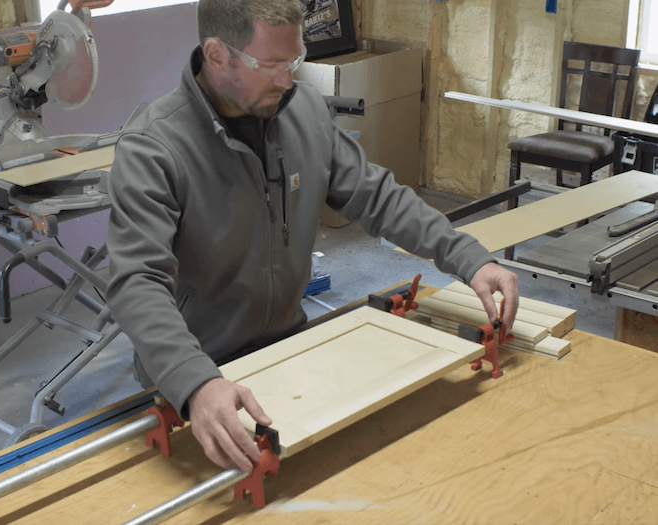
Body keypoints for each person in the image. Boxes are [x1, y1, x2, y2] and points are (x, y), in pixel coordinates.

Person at [106, 0, 518, 475]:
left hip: (288, 349)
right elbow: (137, 281)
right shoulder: (153, 147)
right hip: (199, 377)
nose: (288, 79)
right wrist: (195, 383)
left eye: (295, 60)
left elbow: (378, 197)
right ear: (217, 54)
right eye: (273, 64)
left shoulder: (302, 111)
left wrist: (470, 258)